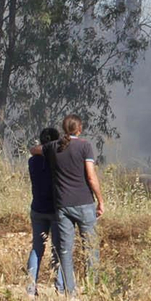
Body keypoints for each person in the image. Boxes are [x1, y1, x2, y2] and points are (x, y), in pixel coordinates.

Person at [42, 115, 103, 286]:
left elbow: (34, 150)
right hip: (84, 202)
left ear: (63, 129)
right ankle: (91, 286)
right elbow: (91, 177)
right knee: (90, 248)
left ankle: (71, 292)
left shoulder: (53, 147)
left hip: (62, 204)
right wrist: (100, 200)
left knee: (65, 249)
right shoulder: (85, 146)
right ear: (79, 128)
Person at [25, 125, 63, 296]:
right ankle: (60, 287)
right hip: (55, 210)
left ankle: (30, 288)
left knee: (37, 248)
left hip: (37, 208)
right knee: (58, 249)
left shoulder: (32, 162)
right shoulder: (58, 160)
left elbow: (35, 152)